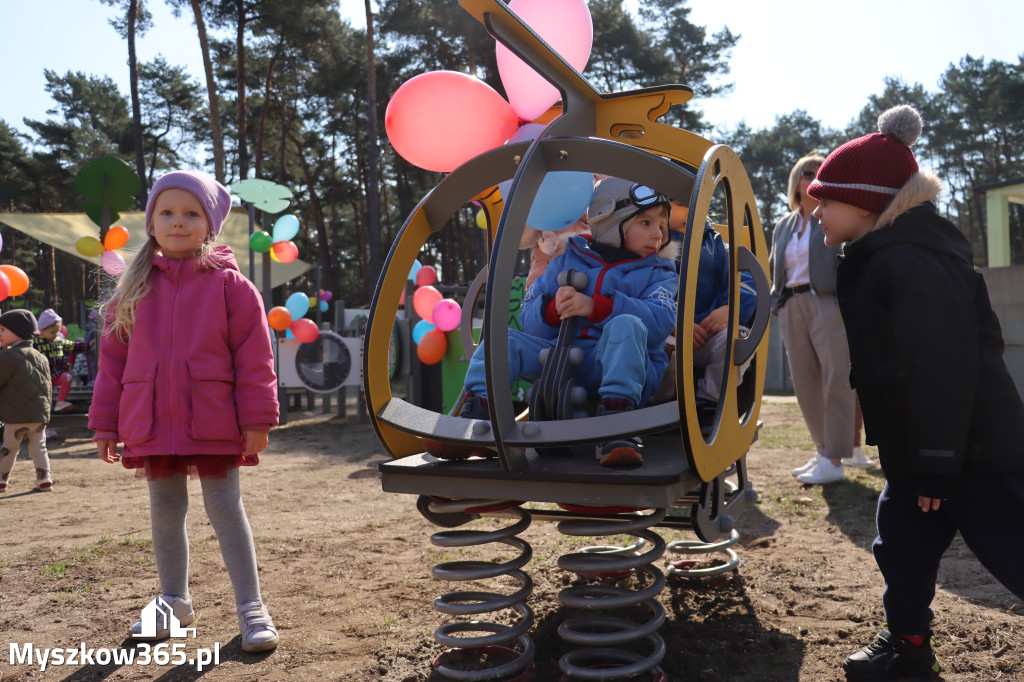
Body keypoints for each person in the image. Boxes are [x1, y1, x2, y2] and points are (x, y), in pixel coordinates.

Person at [807, 105, 1024, 681]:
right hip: (923, 452)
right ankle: (907, 643)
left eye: (824, 199)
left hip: (973, 450)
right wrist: (919, 463)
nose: (815, 210)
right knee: (901, 545)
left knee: (1013, 550)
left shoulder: (913, 260)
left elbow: (943, 367)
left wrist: (936, 465)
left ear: (865, 201)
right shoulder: (878, 255)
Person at [89, 170, 281, 653]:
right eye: (167, 212)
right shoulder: (129, 292)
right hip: (150, 420)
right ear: (151, 221)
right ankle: (173, 602)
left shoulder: (232, 287)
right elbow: (112, 365)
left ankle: (251, 607)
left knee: (226, 509)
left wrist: (257, 419)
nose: (178, 222)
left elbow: (255, 357)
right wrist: (104, 423)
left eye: (191, 213)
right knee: (165, 512)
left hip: (212, 418)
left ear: (210, 225)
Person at [427, 177, 679, 467]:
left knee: (627, 326)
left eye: (661, 225)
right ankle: (479, 419)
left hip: (620, 364)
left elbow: (660, 319)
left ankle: (618, 425)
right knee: (503, 341)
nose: (658, 234)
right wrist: (550, 309)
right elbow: (529, 315)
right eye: (645, 223)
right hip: (561, 359)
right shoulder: (565, 260)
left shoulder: (660, 272)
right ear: (607, 221)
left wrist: (597, 306)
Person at [770, 154, 874, 485]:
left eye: (820, 173)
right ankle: (821, 451)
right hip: (791, 305)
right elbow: (776, 267)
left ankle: (835, 458)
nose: (813, 178)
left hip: (827, 302)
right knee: (805, 384)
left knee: (837, 380)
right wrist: (777, 304)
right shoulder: (783, 225)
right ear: (797, 182)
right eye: (808, 173)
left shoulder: (832, 217)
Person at [660, 200, 757, 422]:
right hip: (671, 333)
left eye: (698, 199)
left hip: (708, 334)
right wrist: (673, 321)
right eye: (679, 202)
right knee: (659, 345)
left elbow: (744, 278)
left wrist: (730, 308)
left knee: (737, 339)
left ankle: (709, 402)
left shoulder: (715, 243)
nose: (693, 206)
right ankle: (662, 405)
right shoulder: (654, 242)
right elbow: (647, 286)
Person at [0, 309, 54, 493]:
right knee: (39, 447)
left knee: (9, 448)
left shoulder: (7, 356)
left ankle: (1, 481)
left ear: (17, 332)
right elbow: (48, 386)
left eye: (2, 330)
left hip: (15, 417)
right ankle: (45, 479)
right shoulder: (41, 357)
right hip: (39, 415)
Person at [33, 308, 93, 413]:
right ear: (42, 330)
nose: (56, 334)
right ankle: (46, 410)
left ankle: (60, 402)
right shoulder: (36, 341)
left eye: (58, 331)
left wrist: (87, 345)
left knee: (67, 377)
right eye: (52, 332)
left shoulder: (58, 340)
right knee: (47, 396)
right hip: (43, 376)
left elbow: (72, 346)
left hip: (56, 373)